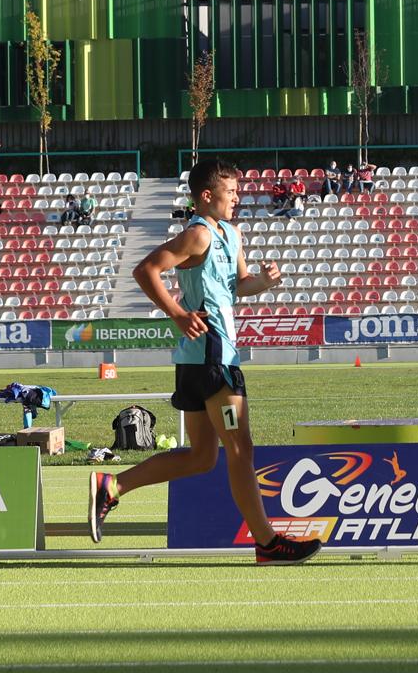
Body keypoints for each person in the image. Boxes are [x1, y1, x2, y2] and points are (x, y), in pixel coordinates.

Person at [86, 158, 319, 565]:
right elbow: (146, 270)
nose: (237, 198)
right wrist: (178, 314)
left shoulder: (232, 233)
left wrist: (264, 282)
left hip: (200, 360)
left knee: (202, 457)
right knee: (241, 449)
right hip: (214, 359)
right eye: (231, 192)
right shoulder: (198, 235)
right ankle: (267, 543)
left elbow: (238, 286)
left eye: (238, 191)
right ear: (207, 196)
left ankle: (112, 485)